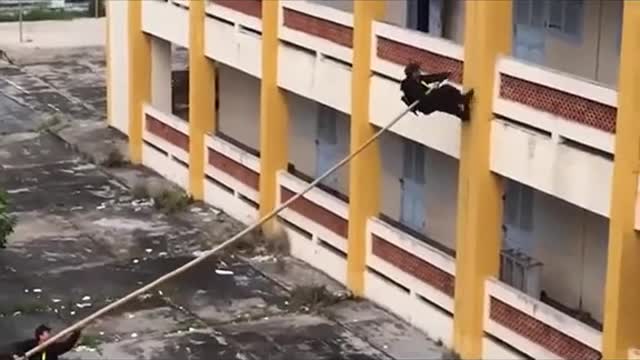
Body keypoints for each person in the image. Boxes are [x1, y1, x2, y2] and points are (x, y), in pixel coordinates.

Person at [400, 62, 474, 121]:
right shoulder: (408, 85)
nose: (420, 72)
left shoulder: (417, 78)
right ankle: (462, 100)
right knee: (446, 89)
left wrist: (444, 75)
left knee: (444, 103)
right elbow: (419, 96)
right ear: (413, 72)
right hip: (423, 105)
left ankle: (463, 114)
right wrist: (433, 91)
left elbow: (430, 78)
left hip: (428, 100)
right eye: (418, 71)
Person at [10, 324, 82, 360]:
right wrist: (19, 353)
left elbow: (67, 346)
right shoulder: (31, 344)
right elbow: (18, 347)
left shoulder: (52, 347)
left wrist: (76, 333)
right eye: (47, 333)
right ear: (40, 336)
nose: (49, 334)